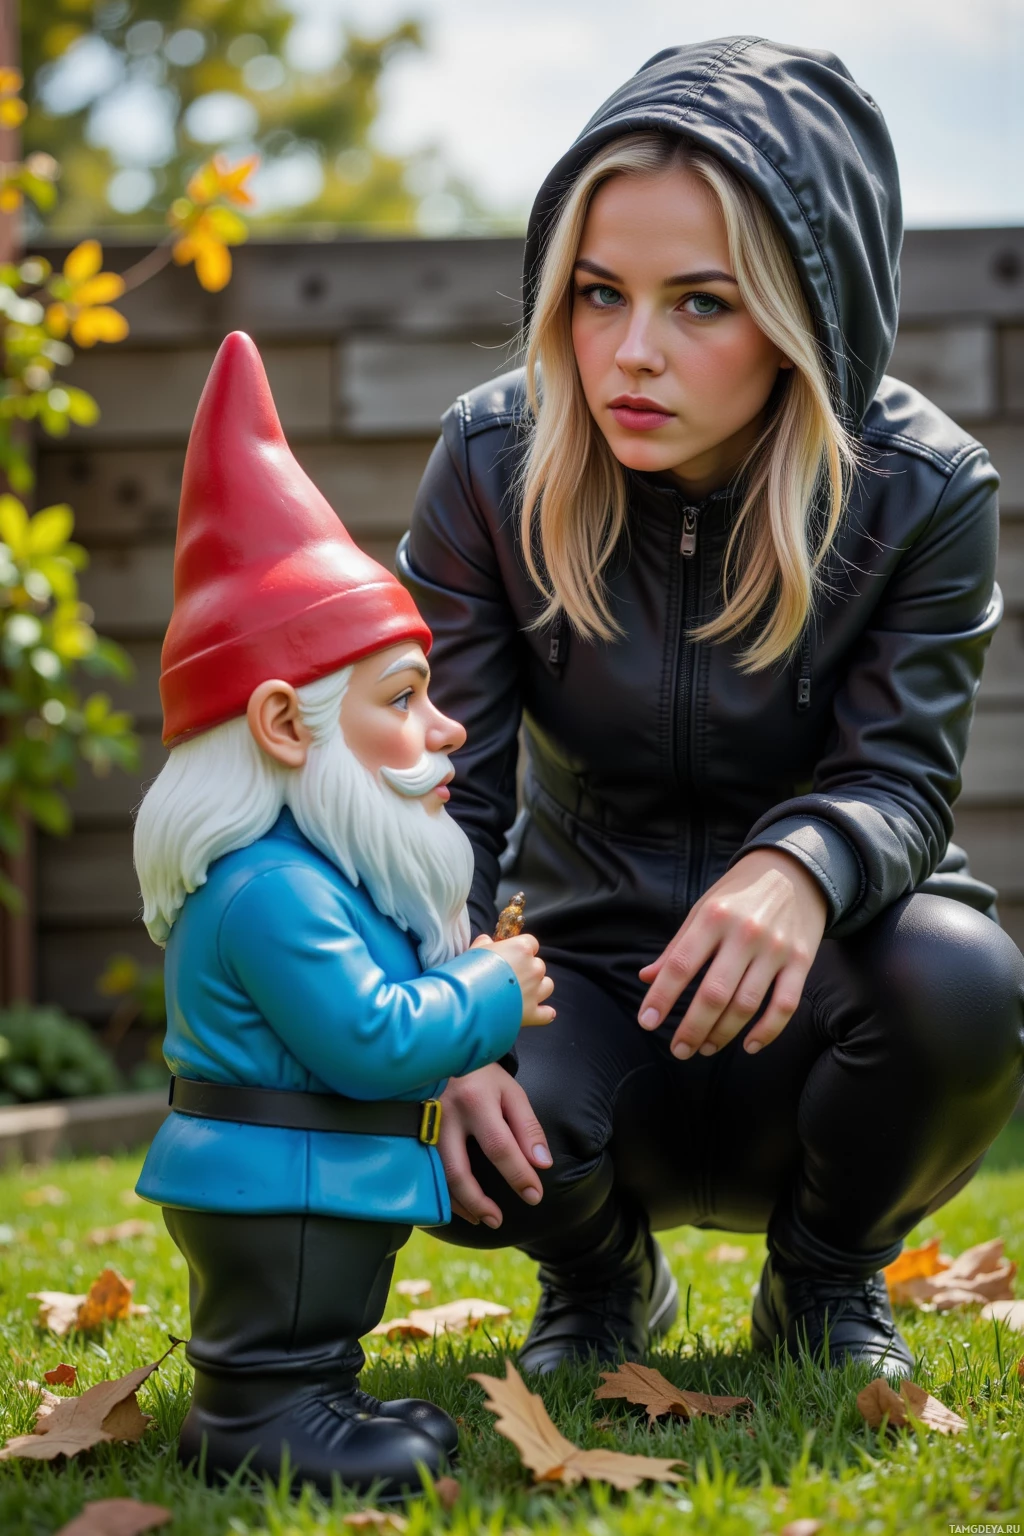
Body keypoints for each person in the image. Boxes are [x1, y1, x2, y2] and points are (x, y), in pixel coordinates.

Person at [397, 38, 1024, 1381]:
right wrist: (444, 996)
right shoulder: (490, 465)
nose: (632, 354)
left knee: (966, 981)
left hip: (829, 1004)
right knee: (385, 1033)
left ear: (808, 312)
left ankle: (825, 1287)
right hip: (591, 996)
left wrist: (799, 866)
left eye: (702, 304)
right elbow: (438, 783)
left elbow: (902, 777)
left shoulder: (923, 489)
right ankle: (603, 1283)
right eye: (597, 293)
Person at [132, 332, 553, 1497]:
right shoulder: (269, 895)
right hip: (282, 1186)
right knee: (285, 1314)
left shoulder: (312, 876)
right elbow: (367, 1036)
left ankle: (310, 1393)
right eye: (405, 699)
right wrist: (487, 990)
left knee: (315, 1317)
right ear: (283, 726)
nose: (447, 728)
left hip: (307, 1179)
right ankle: (262, 1415)